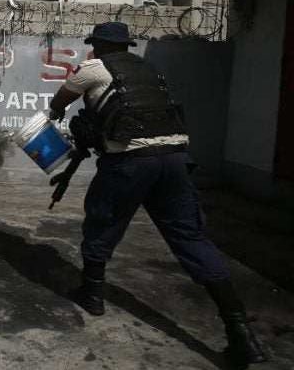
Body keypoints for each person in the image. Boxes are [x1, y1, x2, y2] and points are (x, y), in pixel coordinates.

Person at [49, 22, 267, 366]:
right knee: (191, 238)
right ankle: (240, 332)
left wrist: (59, 112)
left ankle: (92, 295)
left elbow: (60, 100)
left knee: (103, 222)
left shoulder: (93, 68)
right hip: (177, 160)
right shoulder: (149, 69)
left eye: (96, 46)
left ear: (101, 46)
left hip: (130, 163)